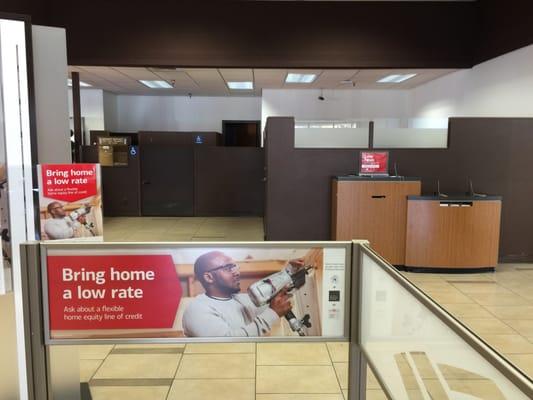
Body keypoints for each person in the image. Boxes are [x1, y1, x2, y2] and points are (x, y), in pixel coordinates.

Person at [182, 251, 303, 337]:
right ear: (209, 277)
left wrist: (287, 274)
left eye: (235, 266)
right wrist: (272, 313)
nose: (237, 272)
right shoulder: (197, 310)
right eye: (228, 268)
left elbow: (277, 302)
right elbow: (225, 343)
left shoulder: (243, 300)